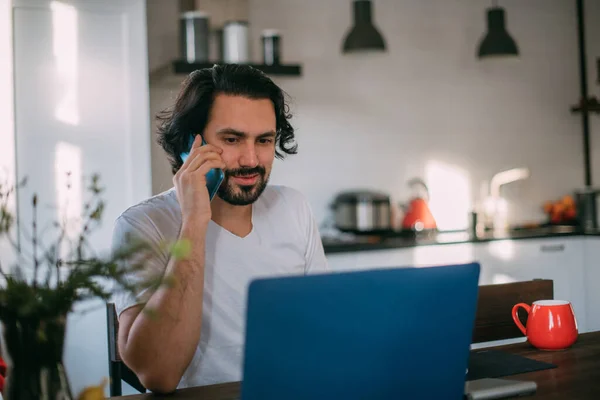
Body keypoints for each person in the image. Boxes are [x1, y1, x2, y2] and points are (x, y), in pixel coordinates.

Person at [111, 64, 329, 394]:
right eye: (232, 139)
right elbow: (158, 374)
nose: (251, 159)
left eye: (264, 140)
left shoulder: (293, 208)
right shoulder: (143, 225)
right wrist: (195, 223)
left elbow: (325, 331)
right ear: (190, 144)